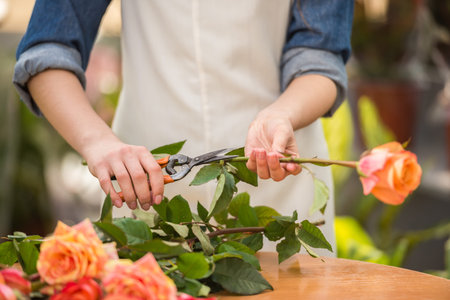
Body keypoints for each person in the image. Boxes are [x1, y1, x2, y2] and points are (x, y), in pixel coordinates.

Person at [13, 0, 353, 254]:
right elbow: (48, 50)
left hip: (279, 179)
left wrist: (282, 115)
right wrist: (98, 143)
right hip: (146, 183)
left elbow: (320, 55)